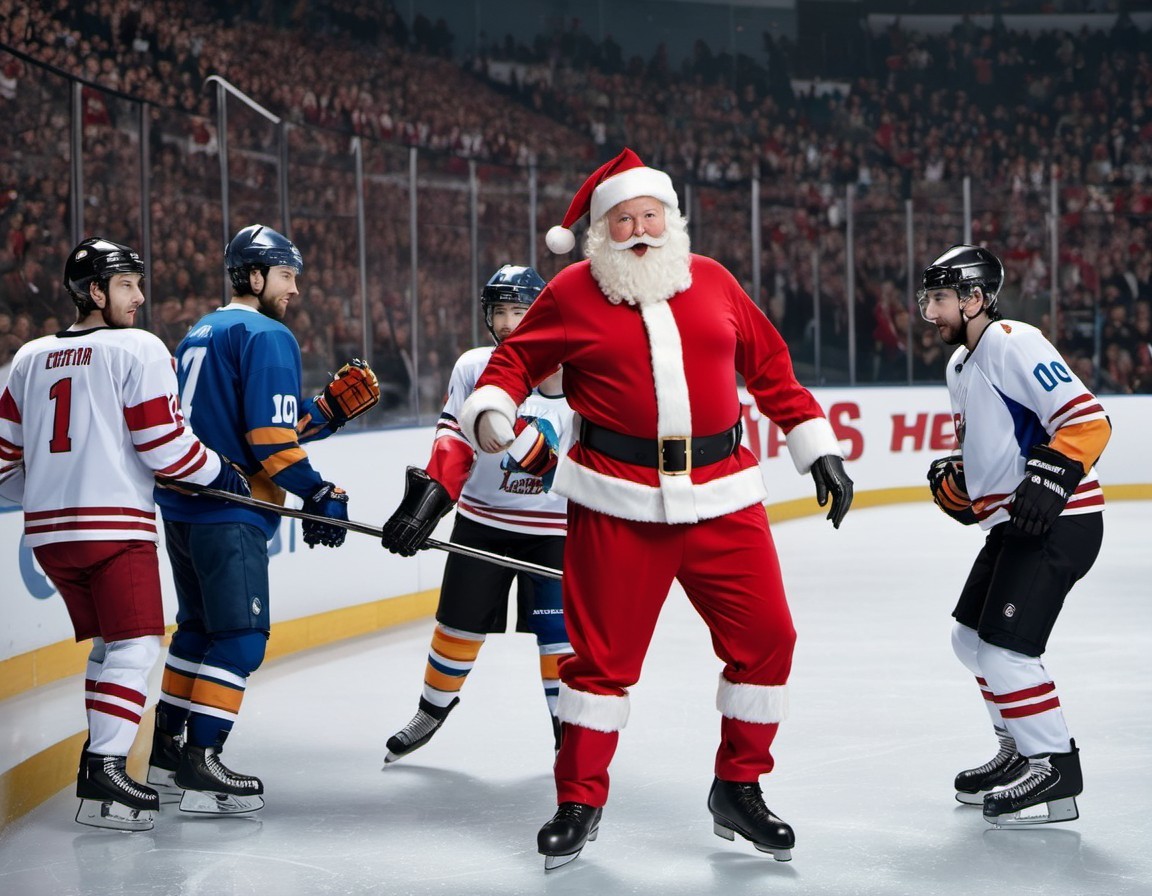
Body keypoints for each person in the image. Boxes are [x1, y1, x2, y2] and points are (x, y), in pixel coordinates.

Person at [457, 148, 854, 869]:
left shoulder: (714, 282)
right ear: (600, 232)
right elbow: (512, 363)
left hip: (723, 499)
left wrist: (814, 444)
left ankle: (739, 786)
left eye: (650, 215)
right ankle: (579, 800)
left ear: (671, 220)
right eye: (623, 219)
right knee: (599, 666)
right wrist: (491, 408)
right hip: (617, 503)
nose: (639, 229)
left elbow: (770, 367)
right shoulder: (574, 292)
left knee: (768, 639)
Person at [0, 238, 250, 831]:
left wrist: (46, 493)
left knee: (111, 647)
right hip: (115, 529)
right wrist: (224, 474)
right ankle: (104, 765)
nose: (139, 297)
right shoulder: (137, 348)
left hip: (50, 537)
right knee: (137, 646)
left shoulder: (28, 358)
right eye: (127, 285)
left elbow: (2, 462)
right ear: (94, 292)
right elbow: (164, 447)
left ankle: (100, 776)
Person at [150, 224, 380, 815]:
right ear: (253, 277)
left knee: (198, 633)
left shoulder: (201, 331)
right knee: (243, 639)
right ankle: (203, 765)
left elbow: (243, 425)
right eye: (286, 275)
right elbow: (269, 442)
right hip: (232, 513)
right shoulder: (269, 334)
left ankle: (166, 758)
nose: (296, 289)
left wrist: (323, 414)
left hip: (183, 510)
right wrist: (319, 490)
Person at [920, 244, 1111, 827]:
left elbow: (1086, 419)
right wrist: (961, 480)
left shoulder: (1011, 340)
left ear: (976, 298)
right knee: (970, 640)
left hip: (1061, 520)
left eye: (942, 298)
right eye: (928, 298)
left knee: (1006, 649)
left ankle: (1054, 770)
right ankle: (1018, 752)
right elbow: (992, 445)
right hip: (1011, 525)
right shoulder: (960, 366)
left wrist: (1052, 480)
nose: (931, 311)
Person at [379, 264, 574, 764]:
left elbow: (582, 460)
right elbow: (453, 441)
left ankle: (568, 736)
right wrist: (429, 505)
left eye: (520, 310)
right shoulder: (474, 366)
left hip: (555, 531)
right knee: (457, 626)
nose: (509, 323)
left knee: (559, 639)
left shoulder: (577, 371)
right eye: (500, 312)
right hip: (482, 523)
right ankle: (431, 710)